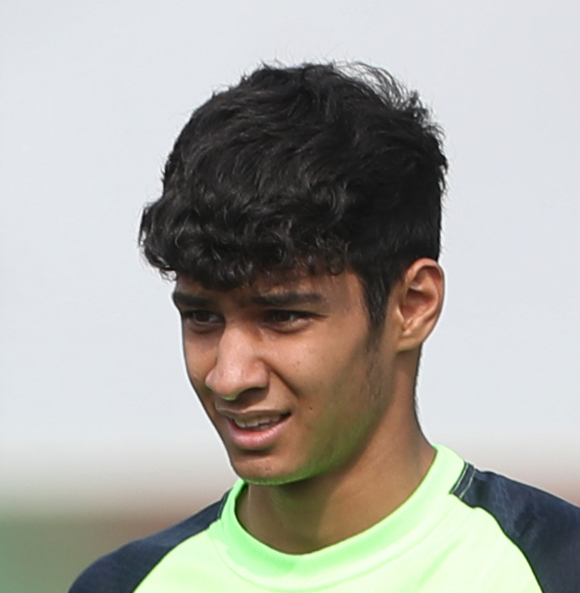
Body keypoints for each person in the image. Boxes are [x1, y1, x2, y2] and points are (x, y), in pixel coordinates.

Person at [69, 62, 580, 593]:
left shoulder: (555, 569)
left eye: (282, 317)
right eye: (202, 317)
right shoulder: (125, 585)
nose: (229, 376)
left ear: (413, 305)